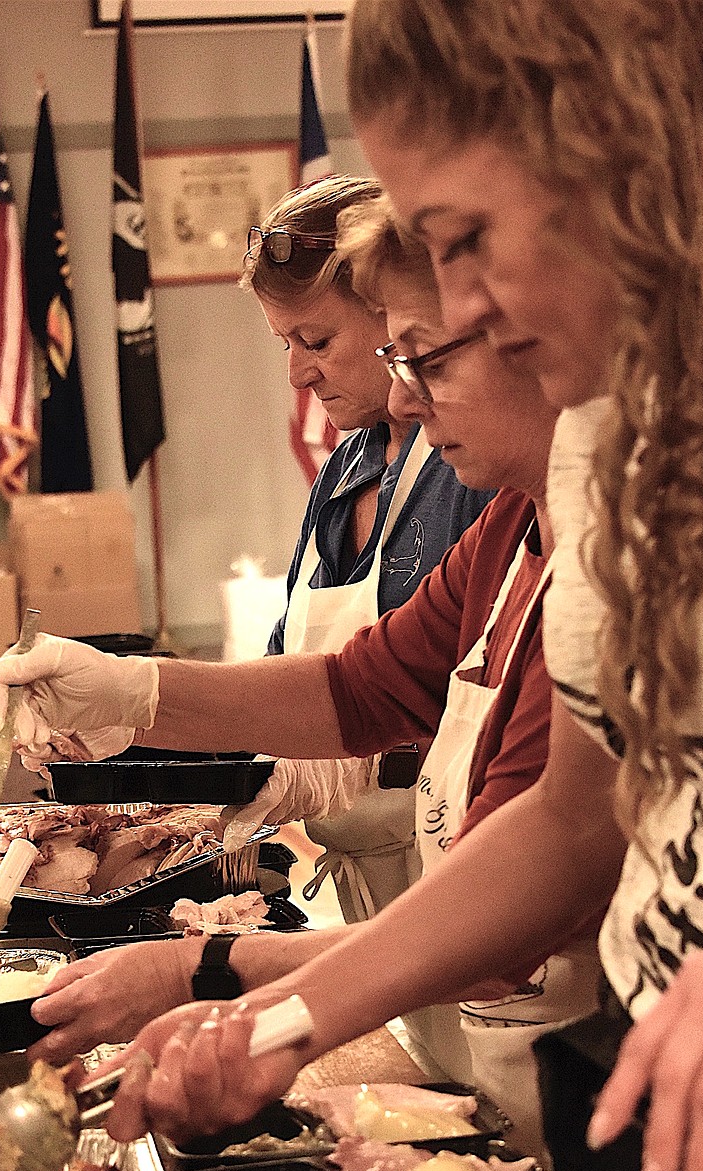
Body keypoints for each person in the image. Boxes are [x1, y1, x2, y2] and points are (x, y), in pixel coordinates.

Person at [0, 0, 703, 1171]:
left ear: (606, 135)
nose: (465, 312)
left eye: (467, 233)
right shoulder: (611, 427)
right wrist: (282, 1021)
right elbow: (566, 822)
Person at [4, 196, 585, 1155]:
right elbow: (355, 690)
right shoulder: (509, 531)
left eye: (423, 357)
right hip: (505, 1058)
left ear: (540, 341)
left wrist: (214, 977)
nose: (403, 399)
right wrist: (128, 690)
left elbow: (503, 931)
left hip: (592, 1085)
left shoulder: (602, 580)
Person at [243, 175, 492, 921]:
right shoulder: (344, 473)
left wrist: (364, 763)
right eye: (284, 343)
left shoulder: (476, 472)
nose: (297, 372)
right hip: (364, 884)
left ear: (395, 313)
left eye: (316, 340)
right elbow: (293, 664)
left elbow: (479, 708)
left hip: (468, 874)